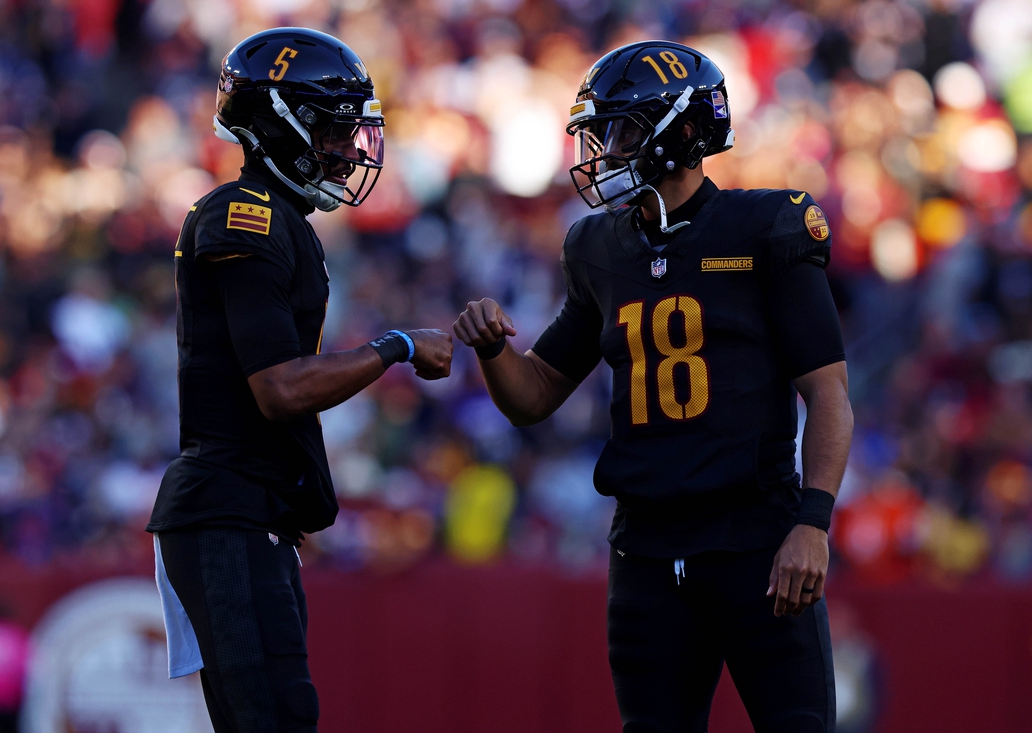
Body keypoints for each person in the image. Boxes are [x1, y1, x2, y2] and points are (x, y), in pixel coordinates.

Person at [455, 41, 852, 732]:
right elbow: (535, 393)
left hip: (753, 538)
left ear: (683, 131)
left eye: (622, 130)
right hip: (645, 547)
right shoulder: (598, 247)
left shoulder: (766, 227)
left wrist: (812, 523)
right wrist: (492, 349)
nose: (604, 151)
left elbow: (828, 394)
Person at [145, 28, 452, 733]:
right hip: (227, 509)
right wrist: (397, 346)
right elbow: (278, 388)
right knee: (276, 716)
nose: (348, 149)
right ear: (279, 125)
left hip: (251, 510)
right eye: (334, 130)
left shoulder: (282, 219)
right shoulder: (243, 215)